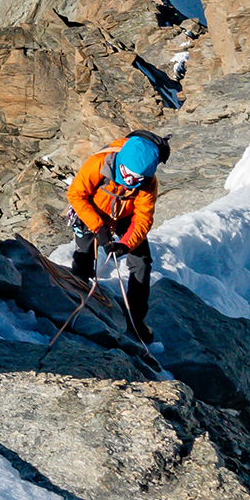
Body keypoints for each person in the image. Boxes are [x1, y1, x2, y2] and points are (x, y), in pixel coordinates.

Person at [66, 131, 169, 342]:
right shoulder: (99, 163)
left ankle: (135, 318)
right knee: (85, 256)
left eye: (137, 178)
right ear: (120, 162)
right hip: (92, 210)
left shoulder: (148, 183)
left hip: (125, 216)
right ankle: (77, 298)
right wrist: (99, 228)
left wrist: (125, 244)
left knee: (141, 263)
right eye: (127, 173)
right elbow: (76, 194)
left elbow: (143, 219)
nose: (130, 181)